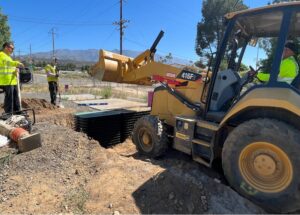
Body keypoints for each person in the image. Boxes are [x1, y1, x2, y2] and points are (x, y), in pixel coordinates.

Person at [0, 42, 24, 114]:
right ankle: (8, 113)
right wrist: (17, 63)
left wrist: (15, 69)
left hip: (12, 80)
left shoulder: (9, 57)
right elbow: (7, 63)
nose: (12, 50)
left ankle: (18, 111)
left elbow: (9, 66)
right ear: (6, 47)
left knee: (16, 97)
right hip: (6, 80)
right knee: (9, 98)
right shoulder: (1, 55)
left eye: (13, 48)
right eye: (11, 48)